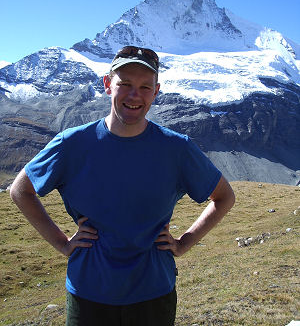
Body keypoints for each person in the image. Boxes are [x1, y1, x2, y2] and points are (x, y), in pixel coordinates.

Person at [10, 45, 235, 326]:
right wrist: (61, 243)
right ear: (107, 84)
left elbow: (224, 197)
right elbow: (20, 190)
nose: (134, 95)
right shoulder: (72, 143)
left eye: (144, 87)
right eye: (125, 84)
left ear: (156, 91)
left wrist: (184, 243)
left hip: (153, 296)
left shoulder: (177, 148)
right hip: (88, 296)